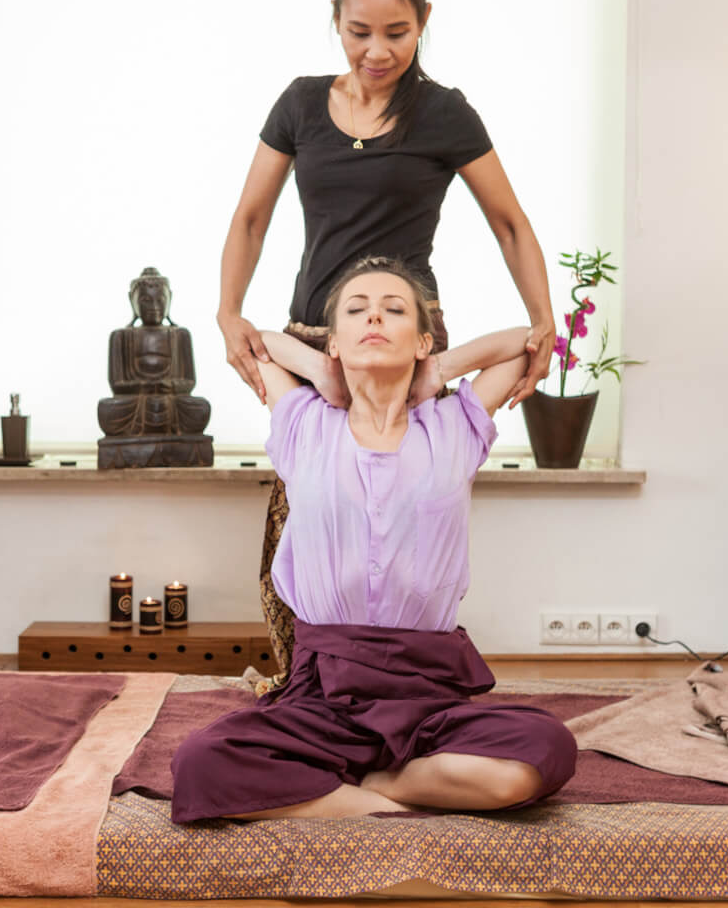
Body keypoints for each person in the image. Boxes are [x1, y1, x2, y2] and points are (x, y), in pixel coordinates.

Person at [216, 0, 556, 691]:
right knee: (309, 527)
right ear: (335, 20)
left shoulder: (443, 113)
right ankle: (310, 686)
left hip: (402, 342)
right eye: (359, 32)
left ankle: (406, 681)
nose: (377, 51)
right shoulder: (301, 104)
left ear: (424, 20)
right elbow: (250, 218)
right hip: (314, 342)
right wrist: (229, 311)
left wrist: (542, 322)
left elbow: (509, 222)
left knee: (405, 523)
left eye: (397, 33)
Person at [172, 259, 577, 822]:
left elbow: (525, 341)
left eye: (395, 310)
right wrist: (321, 368)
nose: (375, 318)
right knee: (201, 763)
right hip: (323, 692)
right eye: (357, 310)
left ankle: (364, 786)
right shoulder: (305, 423)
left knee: (547, 749)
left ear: (422, 341)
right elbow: (255, 341)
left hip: (427, 692)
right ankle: (395, 802)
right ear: (335, 341)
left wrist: (439, 370)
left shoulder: (453, 425)